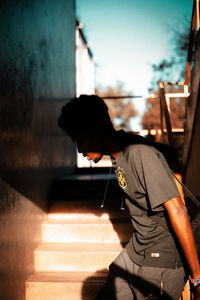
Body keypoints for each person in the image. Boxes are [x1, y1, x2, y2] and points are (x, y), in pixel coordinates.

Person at [58, 94, 200, 300]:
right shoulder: (123, 146)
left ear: (95, 130)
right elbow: (168, 151)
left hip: (162, 259)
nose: (79, 150)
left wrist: (197, 278)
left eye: (80, 140)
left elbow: (177, 210)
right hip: (137, 250)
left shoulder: (139, 153)